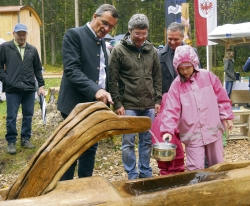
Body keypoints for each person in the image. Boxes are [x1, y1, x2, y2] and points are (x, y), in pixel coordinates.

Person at [57, 4, 118, 180]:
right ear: (94, 17)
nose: (106, 29)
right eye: (104, 23)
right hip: (73, 105)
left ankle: (86, 186)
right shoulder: (74, 35)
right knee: (71, 149)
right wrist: (96, 90)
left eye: (111, 27)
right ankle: (65, 190)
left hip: (95, 107)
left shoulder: (103, 43)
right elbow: (72, 71)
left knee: (90, 148)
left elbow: (102, 74)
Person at [160, 45, 234, 171]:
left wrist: (226, 116)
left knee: (217, 165)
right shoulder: (176, 85)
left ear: (194, 63)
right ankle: (197, 189)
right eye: (181, 68)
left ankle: (218, 187)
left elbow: (222, 97)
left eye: (188, 67)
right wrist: (167, 130)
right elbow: (171, 110)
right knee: (195, 168)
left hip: (212, 129)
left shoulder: (208, 77)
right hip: (192, 132)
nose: (185, 71)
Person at [109, 14, 162, 180]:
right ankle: (132, 173)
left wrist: (157, 100)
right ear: (130, 31)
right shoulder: (119, 50)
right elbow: (113, 79)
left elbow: (157, 77)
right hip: (128, 105)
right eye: (138, 33)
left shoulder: (152, 51)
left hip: (148, 104)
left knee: (146, 141)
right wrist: (117, 103)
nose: (141, 37)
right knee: (128, 142)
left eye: (144, 33)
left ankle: (145, 171)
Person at [0, 23, 46, 154]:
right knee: (11, 116)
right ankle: (11, 141)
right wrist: (6, 79)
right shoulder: (5, 48)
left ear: (26, 35)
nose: (21, 36)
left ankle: (25, 138)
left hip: (29, 89)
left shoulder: (32, 50)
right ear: (13, 34)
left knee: (28, 115)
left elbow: (37, 69)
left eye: (23, 34)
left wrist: (41, 85)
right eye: (18, 34)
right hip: (12, 89)